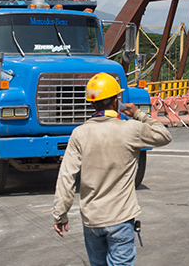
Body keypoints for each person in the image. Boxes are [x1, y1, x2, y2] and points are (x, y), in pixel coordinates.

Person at [52, 72, 172, 265]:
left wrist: (60, 214)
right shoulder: (130, 129)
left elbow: (66, 178)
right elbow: (164, 135)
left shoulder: (79, 134)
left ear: (92, 103)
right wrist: (139, 114)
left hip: (92, 220)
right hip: (120, 218)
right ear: (116, 101)